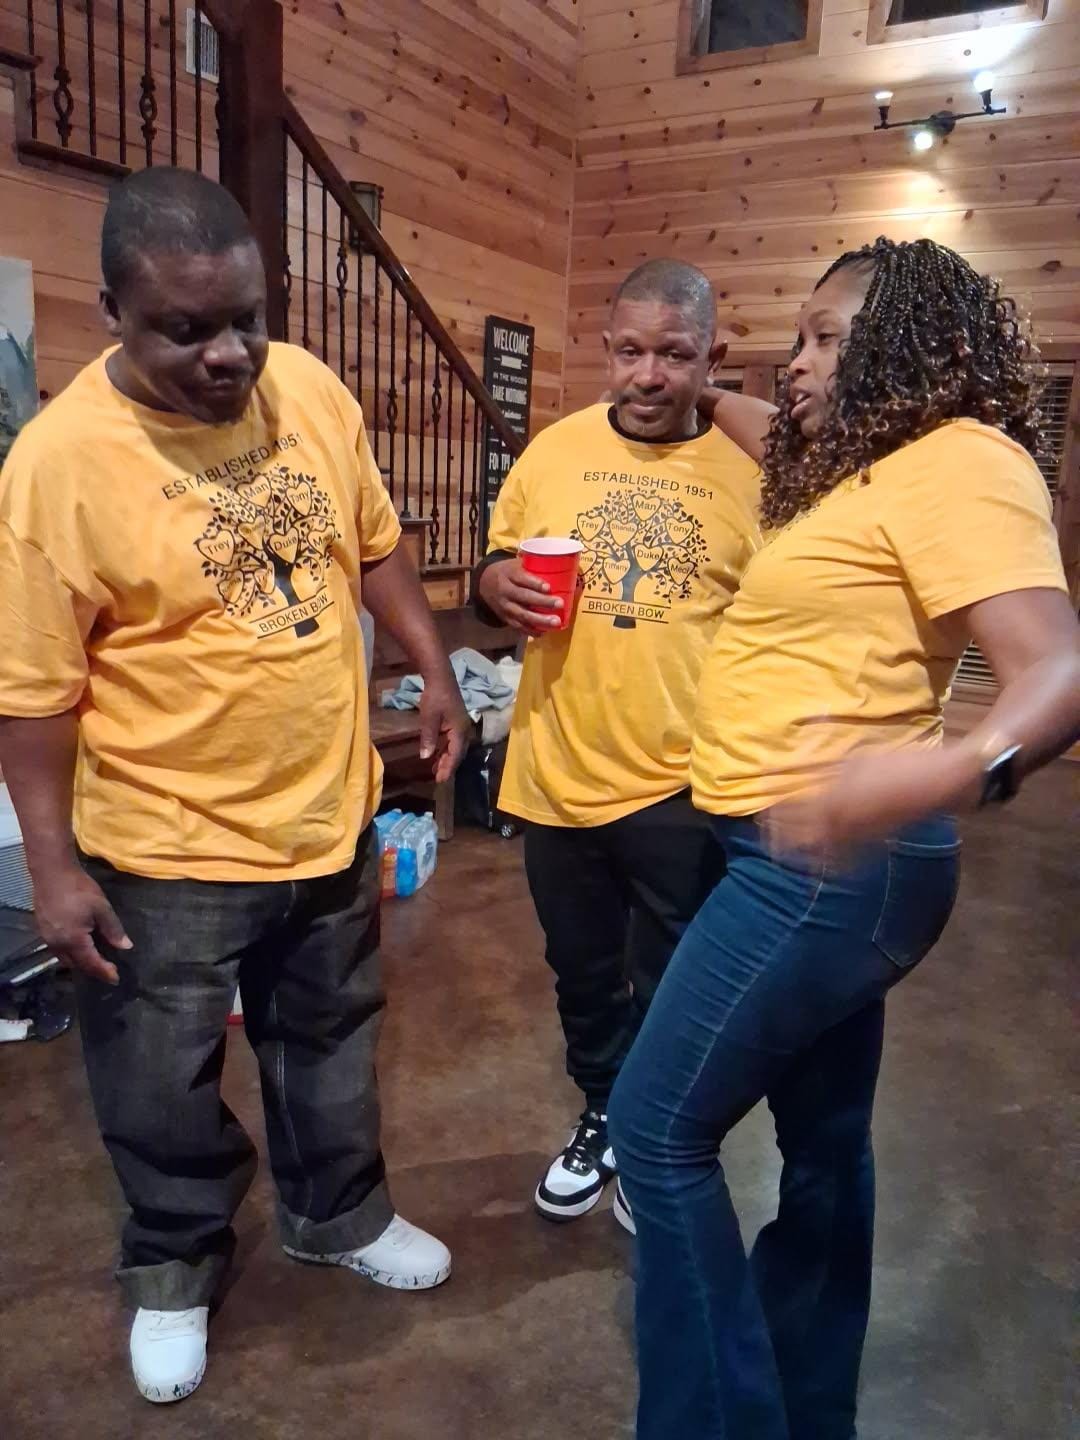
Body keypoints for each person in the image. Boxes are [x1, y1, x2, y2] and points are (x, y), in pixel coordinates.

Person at [0, 167, 470, 1405]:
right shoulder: (58, 467)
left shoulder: (307, 388)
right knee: (158, 1081)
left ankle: (337, 1214)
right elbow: (32, 692)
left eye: (247, 319)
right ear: (113, 311)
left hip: (325, 813)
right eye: (185, 328)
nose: (229, 355)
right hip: (165, 848)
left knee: (331, 1042)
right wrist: (52, 866)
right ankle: (173, 1263)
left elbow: (373, 544)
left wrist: (434, 669)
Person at [608, 237, 1080, 1439]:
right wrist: (696, 385)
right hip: (789, 854)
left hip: (824, 872)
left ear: (917, 348)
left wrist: (951, 768)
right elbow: (767, 422)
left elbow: (1059, 670)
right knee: (822, 1147)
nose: (799, 362)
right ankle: (809, 1407)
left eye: (827, 339)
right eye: (797, 340)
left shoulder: (961, 460)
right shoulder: (857, 467)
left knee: (655, 1133)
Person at [473, 260, 760, 1226]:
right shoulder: (552, 452)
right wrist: (493, 586)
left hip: (686, 782)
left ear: (712, 356)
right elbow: (497, 562)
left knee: (675, 982)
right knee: (584, 975)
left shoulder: (754, 472)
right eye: (629, 351)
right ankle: (604, 1112)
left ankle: (658, 1137)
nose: (648, 375)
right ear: (605, 350)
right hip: (554, 770)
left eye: (674, 354)